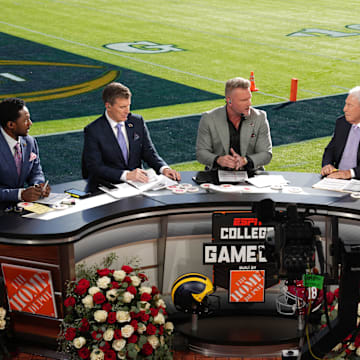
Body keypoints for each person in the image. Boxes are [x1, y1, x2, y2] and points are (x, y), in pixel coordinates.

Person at [82, 82, 181, 185]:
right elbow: (95, 167)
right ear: (108, 106)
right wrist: (126, 175)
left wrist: (164, 169)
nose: (127, 111)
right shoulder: (93, 130)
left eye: (128, 105)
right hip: (109, 186)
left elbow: (149, 152)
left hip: (139, 185)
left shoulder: (137, 121)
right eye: (122, 107)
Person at [196, 77, 272, 171]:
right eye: (244, 100)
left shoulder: (259, 117)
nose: (249, 104)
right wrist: (219, 160)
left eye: (249, 98)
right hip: (217, 174)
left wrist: (245, 161)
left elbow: (266, 154)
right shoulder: (209, 118)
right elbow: (201, 153)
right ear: (229, 101)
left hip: (252, 174)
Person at [0, 98, 50, 203]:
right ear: (11, 125)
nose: (30, 123)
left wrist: (38, 186)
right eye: (26, 120)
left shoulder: (30, 142)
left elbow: (36, 172)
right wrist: (20, 194)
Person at [321, 86, 360, 179]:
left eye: (350, 105)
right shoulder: (342, 122)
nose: (344, 109)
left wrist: (350, 173)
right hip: (338, 179)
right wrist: (327, 164)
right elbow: (331, 149)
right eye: (345, 104)